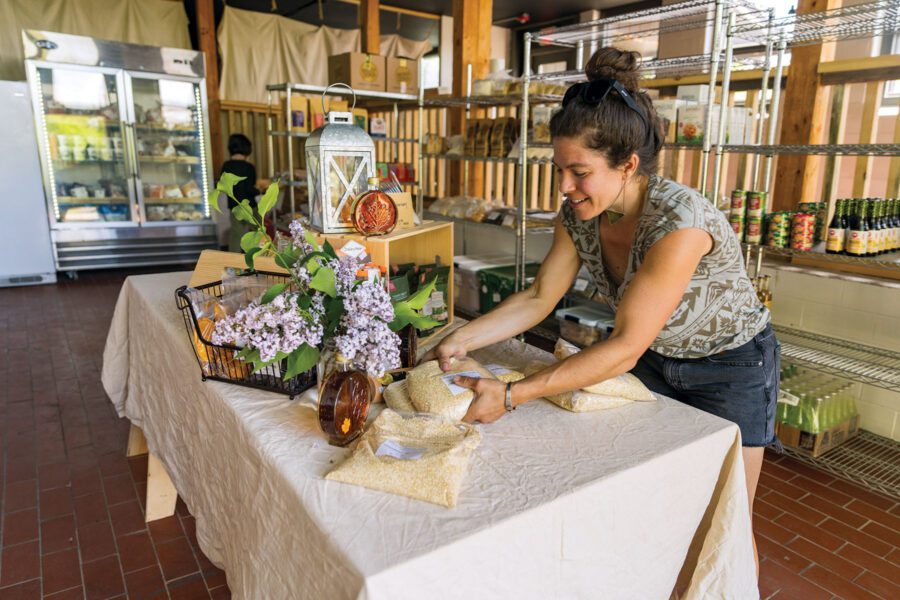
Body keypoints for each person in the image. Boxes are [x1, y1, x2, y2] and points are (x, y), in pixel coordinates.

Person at [429, 48, 779, 575]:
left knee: (725, 522)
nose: (565, 187)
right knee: (651, 498)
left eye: (580, 172)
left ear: (629, 165)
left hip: (729, 368)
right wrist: (462, 340)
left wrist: (512, 394)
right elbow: (539, 297)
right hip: (655, 359)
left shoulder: (677, 224)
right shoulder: (582, 212)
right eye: (559, 170)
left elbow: (623, 347)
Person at [220, 133, 259, 252]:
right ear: (247, 149)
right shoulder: (249, 167)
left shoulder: (226, 166)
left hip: (234, 206)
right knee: (256, 233)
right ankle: (255, 261)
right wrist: (260, 190)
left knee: (236, 235)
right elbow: (249, 189)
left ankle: (233, 265)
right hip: (249, 206)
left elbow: (224, 186)